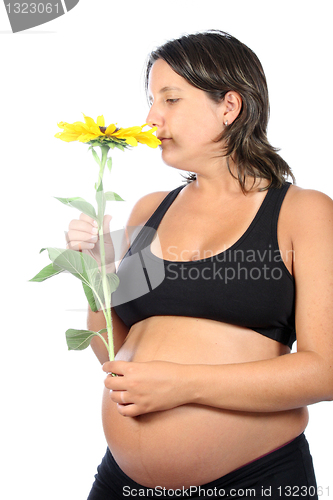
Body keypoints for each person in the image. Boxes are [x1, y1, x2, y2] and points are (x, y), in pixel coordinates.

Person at [66, 31, 333, 499]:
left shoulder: (303, 212)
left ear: (229, 106)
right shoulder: (149, 210)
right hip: (122, 483)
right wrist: (97, 274)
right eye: (152, 100)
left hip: (256, 481)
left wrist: (184, 385)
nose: (151, 118)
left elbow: (327, 371)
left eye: (170, 99)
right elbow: (114, 355)